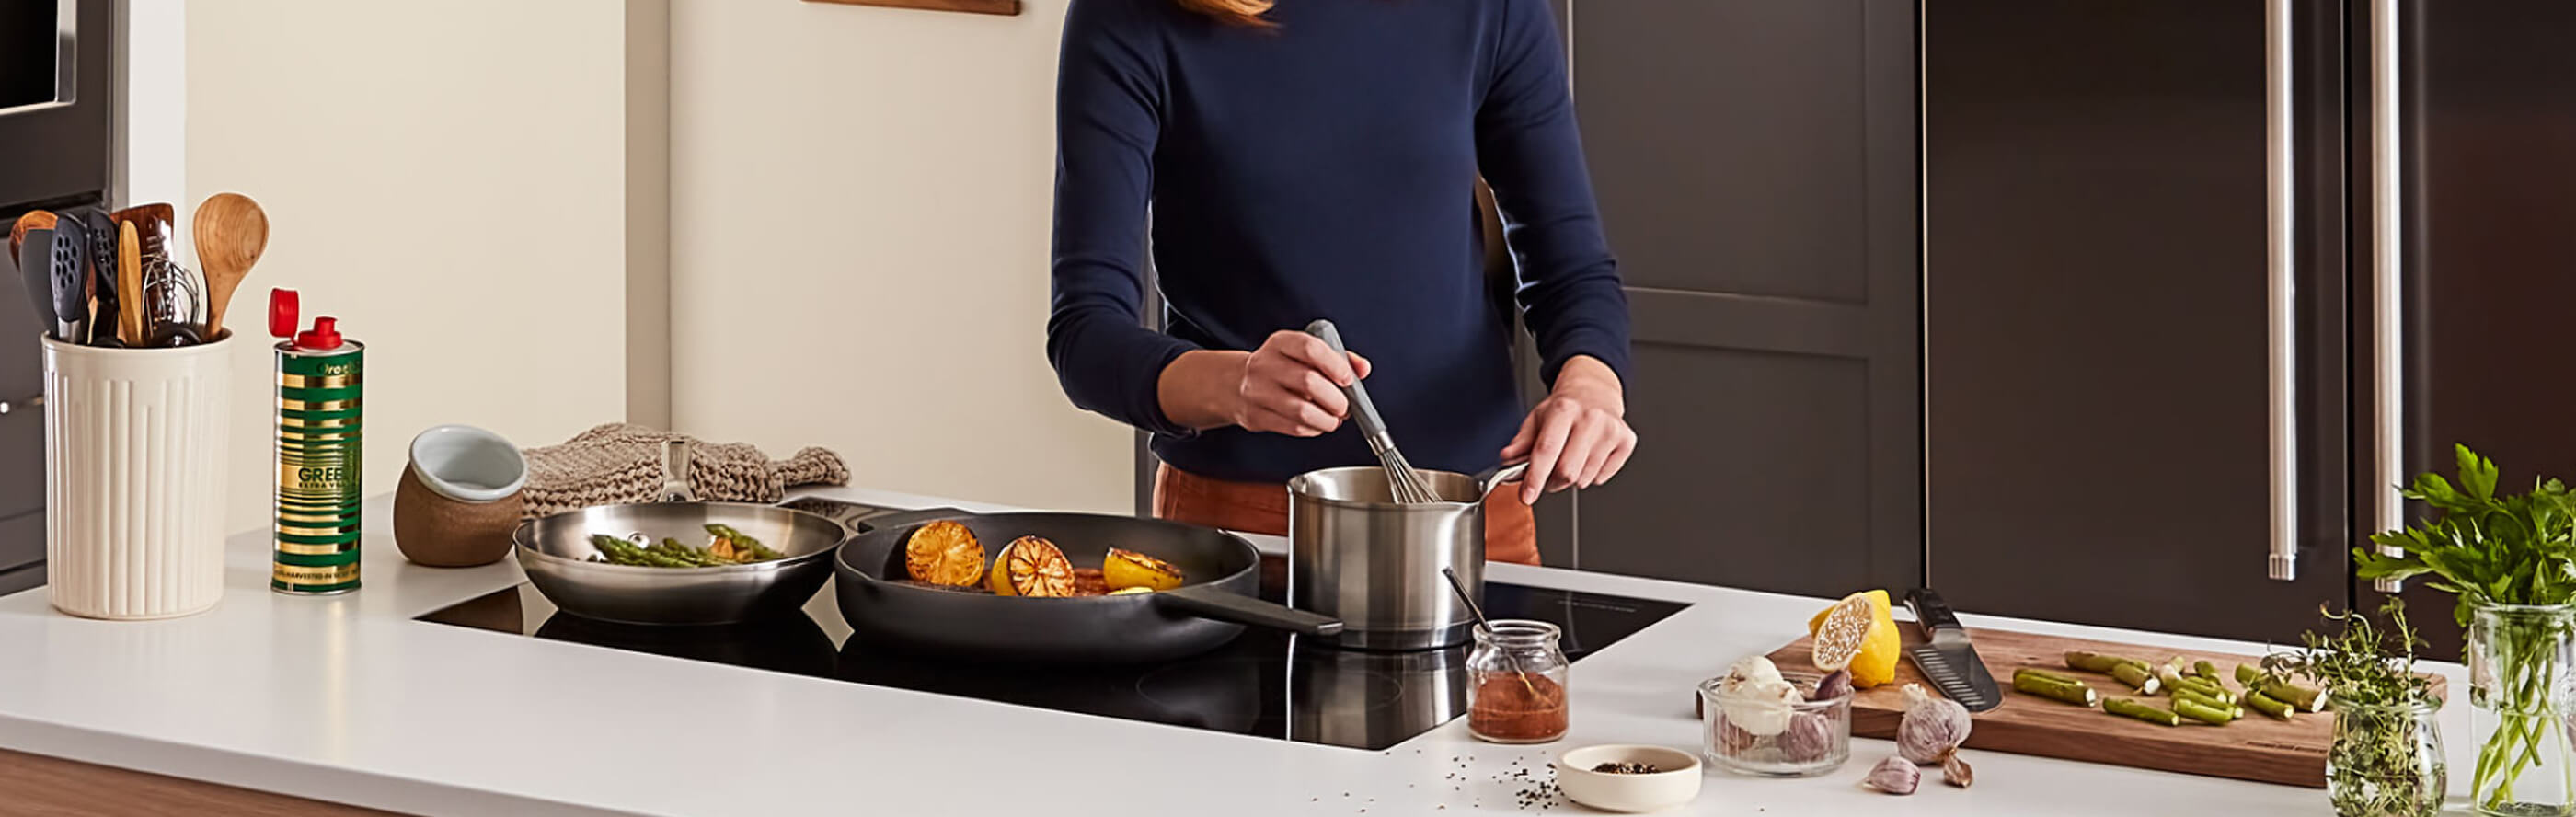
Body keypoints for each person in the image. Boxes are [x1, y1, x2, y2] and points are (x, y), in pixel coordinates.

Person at [1045, 0, 1634, 565]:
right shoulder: (1129, 12)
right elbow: (1086, 334)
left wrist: (1591, 386)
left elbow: (1569, 265)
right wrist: (1237, 385)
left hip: (1471, 514)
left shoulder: (1490, 7)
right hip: (1242, 530)